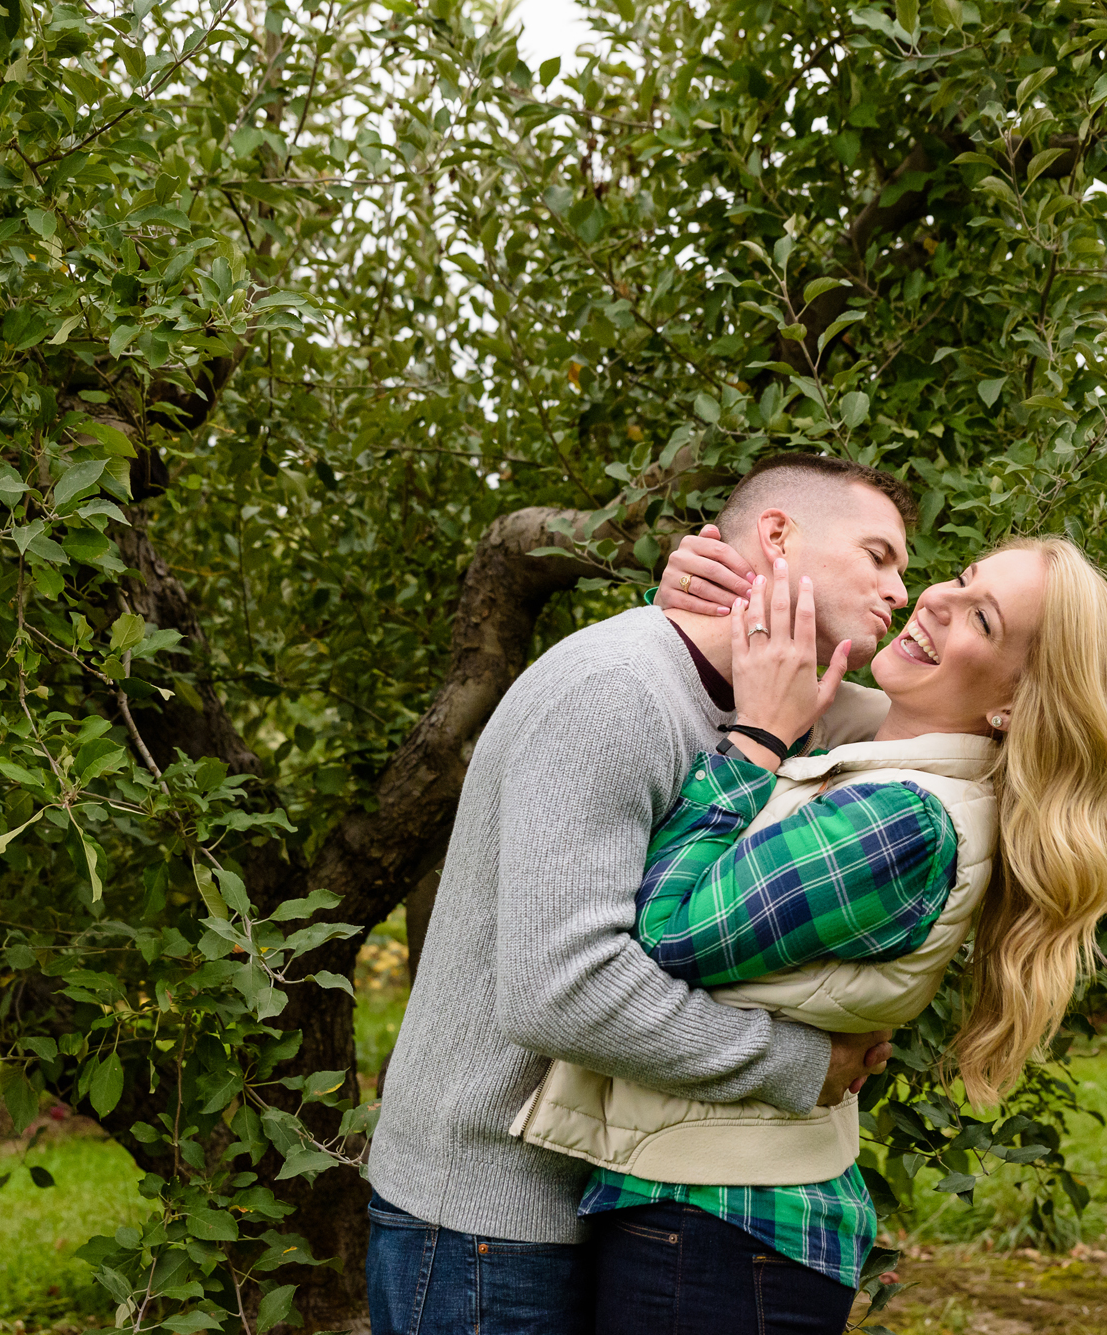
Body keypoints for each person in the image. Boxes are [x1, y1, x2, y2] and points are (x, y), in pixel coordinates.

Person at [511, 534, 1107, 1334]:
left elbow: (665, 932)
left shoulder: (901, 823)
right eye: (960, 577)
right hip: (702, 1210)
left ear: (1015, 705)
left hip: (724, 1223)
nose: (936, 599)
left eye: (980, 620)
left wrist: (755, 741)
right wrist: (699, 603)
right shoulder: (885, 762)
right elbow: (763, 682)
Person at [365, 455, 920, 1335]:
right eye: (880, 555)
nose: (901, 588)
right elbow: (564, 991)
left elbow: (935, 726)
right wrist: (800, 1062)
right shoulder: (617, 691)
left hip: (608, 1193)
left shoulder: (777, 707)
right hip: (488, 1215)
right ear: (778, 535)